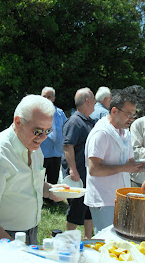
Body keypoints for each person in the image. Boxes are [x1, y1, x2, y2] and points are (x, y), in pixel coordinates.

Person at [0, 95, 68, 245]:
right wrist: (11, 246)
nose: (44, 137)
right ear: (18, 122)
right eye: (38, 131)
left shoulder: (34, 147)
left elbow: (28, 184)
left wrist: (50, 190)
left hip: (30, 231)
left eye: (48, 131)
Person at [84, 91, 145, 233]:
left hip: (120, 197)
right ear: (114, 111)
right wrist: (125, 167)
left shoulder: (125, 133)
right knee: (106, 241)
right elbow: (94, 169)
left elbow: (129, 163)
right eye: (128, 114)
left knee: (119, 241)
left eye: (133, 114)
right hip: (103, 199)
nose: (131, 118)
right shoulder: (101, 133)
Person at [62, 88, 95, 239]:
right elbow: (68, 146)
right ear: (87, 101)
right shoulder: (75, 121)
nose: (95, 103)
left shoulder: (89, 121)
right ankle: (68, 240)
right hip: (78, 175)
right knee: (76, 209)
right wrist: (73, 170)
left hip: (88, 175)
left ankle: (88, 239)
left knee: (89, 209)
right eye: (93, 99)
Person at [40, 87, 67, 186]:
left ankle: (51, 199)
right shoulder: (37, 113)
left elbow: (66, 128)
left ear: (54, 98)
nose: (47, 99)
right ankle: (40, 199)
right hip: (42, 152)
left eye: (49, 96)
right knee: (39, 179)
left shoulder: (60, 113)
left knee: (53, 178)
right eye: (44, 96)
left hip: (56, 152)